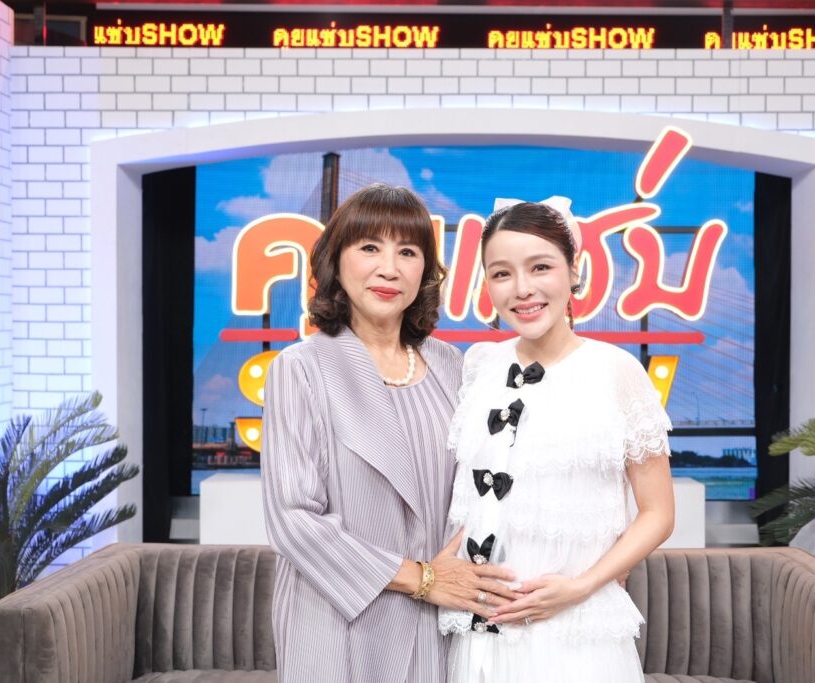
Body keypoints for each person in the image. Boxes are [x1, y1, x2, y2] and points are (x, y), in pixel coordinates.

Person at [260, 183, 517, 683]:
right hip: (338, 617)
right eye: (369, 247)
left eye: (408, 252)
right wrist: (422, 579)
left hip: (437, 620)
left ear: (425, 270)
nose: (389, 268)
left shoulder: (450, 365)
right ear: (336, 262)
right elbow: (293, 519)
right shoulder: (301, 368)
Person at [439, 198, 675, 682]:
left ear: (574, 271)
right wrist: (444, 562)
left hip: (574, 631)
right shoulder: (479, 365)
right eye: (501, 273)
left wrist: (581, 586)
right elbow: (476, 493)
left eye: (540, 267)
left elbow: (659, 513)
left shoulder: (616, 371)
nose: (522, 289)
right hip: (479, 629)